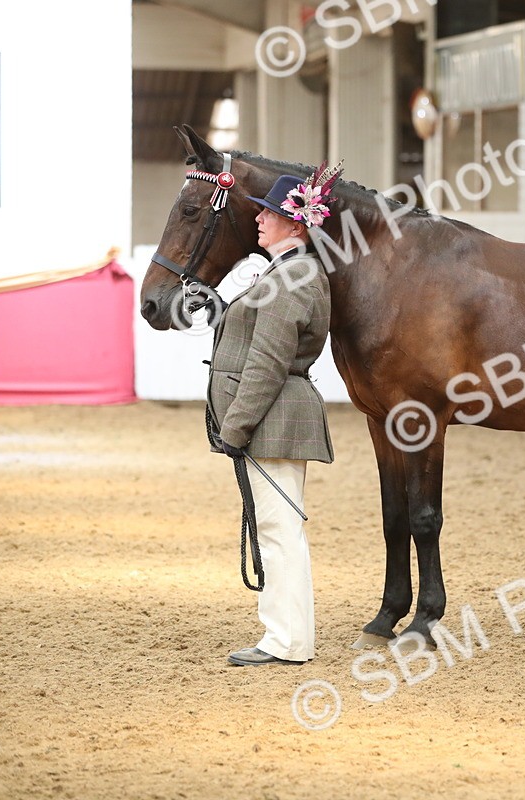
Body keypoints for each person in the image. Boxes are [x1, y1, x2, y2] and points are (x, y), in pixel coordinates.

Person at [208, 166, 340, 666]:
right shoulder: (284, 272)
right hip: (273, 416)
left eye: (272, 213)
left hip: (274, 418)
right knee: (275, 529)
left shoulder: (292, 277)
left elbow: (267, 361)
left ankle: (286, 641)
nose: (260, 218)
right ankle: (285, 637)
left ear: (298, 225)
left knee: (279, 531)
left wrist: (235, 426)